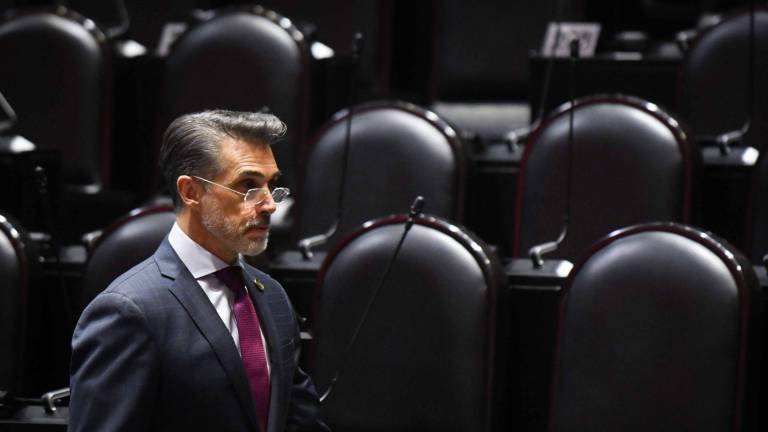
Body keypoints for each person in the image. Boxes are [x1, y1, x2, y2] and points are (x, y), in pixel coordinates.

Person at [69, 110, 329, 432]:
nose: (269, 205)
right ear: (191, 192)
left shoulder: (272, 296)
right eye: (248, 186)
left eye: (271, 185)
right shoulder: (128, 312)